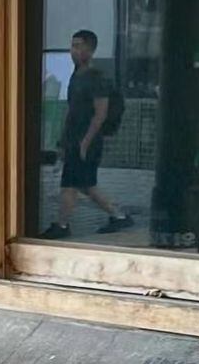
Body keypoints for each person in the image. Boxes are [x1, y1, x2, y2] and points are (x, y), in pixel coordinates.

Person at [44, 29, 133, 241]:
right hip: (75, 139)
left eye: (78, 46)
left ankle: (62, 224)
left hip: (88, 141)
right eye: (72, 46)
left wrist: (85, 143)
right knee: (83, 184)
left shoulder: (97, 79)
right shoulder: (76, 76)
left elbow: (100, 114)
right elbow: (72, 111)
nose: (73, 51)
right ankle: (118, 216)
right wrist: (63, 141)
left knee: (72, 184)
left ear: (90, 50)